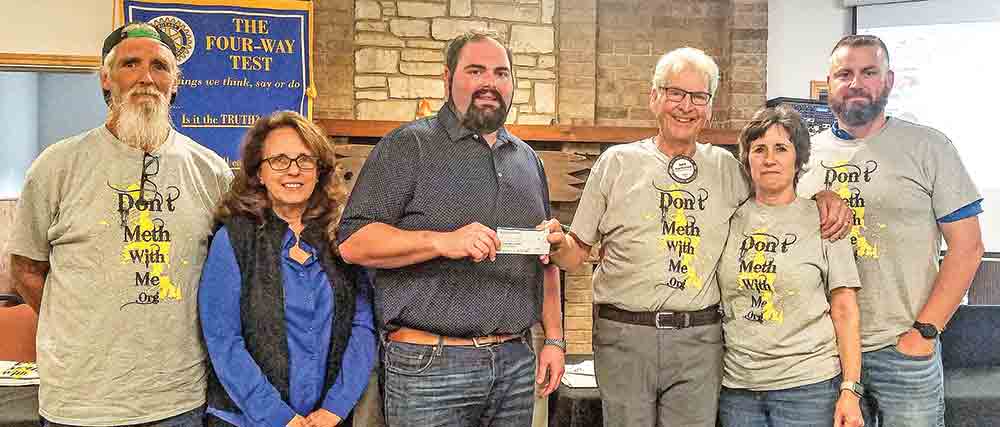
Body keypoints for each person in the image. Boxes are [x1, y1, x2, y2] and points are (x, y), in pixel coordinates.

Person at [544, 47, 853, 427]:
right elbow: (577, 254)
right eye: (675, 93)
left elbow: (775, 193)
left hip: (700, 341)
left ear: (709, 107)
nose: (685, 106)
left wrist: (824, 197)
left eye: (698, 97)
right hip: (624, 338)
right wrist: (559, 245)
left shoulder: (726, 167)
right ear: (654, 97)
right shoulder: (616, 163)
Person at [336, 29, 565, 427]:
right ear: (447, 78)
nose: (489, 83)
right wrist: (442, 241)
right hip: (430, 366)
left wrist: (556, 340)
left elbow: (545, 259)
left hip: (514, 361)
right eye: (475, 71)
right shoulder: (408, 146)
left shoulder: (528, 160)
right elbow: (354, 244)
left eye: (500, 73)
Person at [8, 22, 232, 426]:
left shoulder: (212, 172)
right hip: (80, 400)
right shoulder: (57, 166)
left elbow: (226, 276)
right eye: (131, 64)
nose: (146, 77)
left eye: (160, 67)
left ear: (175, 84)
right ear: (107, 79)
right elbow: (26, 269)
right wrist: (82, 326)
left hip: (178, 398)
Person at [797, 35, 984, 427]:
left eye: (869, 72)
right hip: (824, 353)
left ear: (889, 80)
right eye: (844, 74)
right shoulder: (802, 157)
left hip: (904, 350)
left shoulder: (929, 147)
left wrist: (925, 332)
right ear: (828, 83)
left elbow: (967, 248)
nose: (856, 83)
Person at [199, 111, 376, 427]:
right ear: (259, 173)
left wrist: (334, 409)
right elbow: (223, 340)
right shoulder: (234, 239)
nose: (293, 170)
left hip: (327, 419)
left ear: (319, 171)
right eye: (279, 160)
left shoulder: (343, 238)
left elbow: (363, 327)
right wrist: (280, 418)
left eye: (304, 160)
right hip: (245, 418)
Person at [716, 106, 863, 427]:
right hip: (738, 390)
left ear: (798, 159)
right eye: (759, 149)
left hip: (808, 387)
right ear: (747, 159)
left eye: (781, 148)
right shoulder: (727, 220)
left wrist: (850, 389)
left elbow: (845, 309)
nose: (769, 158)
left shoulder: (825, 220)